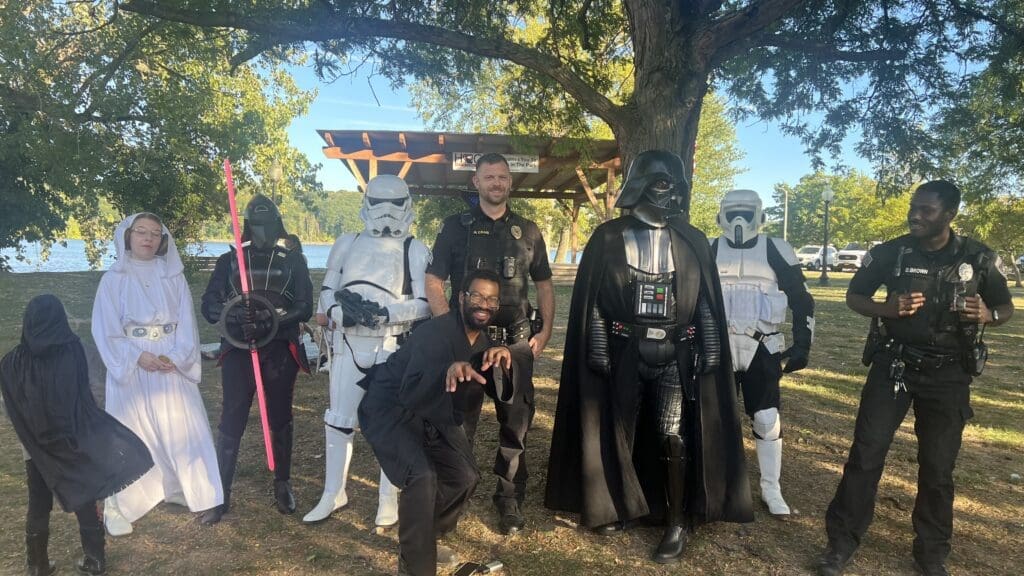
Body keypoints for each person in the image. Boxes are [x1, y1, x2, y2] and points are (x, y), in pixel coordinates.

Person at [545, 149, 753, 563]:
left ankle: (676, 520)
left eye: (677, 186)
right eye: (662, 183)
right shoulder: (608, 238)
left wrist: (711, 347)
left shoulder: (692, 239)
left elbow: (706, 301)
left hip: (675, 353)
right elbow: (595, 302)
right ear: (640, 184)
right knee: (618, 428)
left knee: (671, 435)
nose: (672, 194)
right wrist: (599, 344)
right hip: (624, 351)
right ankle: (619, 504)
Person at [817, 180, 1014, 576]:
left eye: (926, 210)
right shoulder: (892, 253)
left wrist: (989, 316)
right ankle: (840, 545)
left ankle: (931, 555)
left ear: (949, 215)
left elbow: (1005, 305)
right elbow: (854, 296)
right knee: (866, 455)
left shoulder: (977, 257)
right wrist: (886, 309)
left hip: (949, 374)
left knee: (938, 468)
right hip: (894, 366)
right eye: (913, 207)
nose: (915, 215)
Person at [425, 152, 554, 535]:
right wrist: (448, 329)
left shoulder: (529, 231)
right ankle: (454, 494)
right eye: (489, 177)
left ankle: (509, 499)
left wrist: (544, 332)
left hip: (514, 345)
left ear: (510, 183)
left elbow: (544, 284)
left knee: (515, 427)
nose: (496, 184)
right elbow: (434, 281)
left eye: (502, 177)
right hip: (467, 345)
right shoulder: (455, 227)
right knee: (458, 426)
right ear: (475, 183)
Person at [359, 269, 513, 576]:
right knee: (422, 475)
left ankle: (425, 535)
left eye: (492, 298)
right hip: (392, 408)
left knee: (464, 476)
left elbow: (492, 391)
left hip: (434, 413)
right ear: (461, 298)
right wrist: (448, 369)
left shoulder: (482, 342)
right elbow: (412, 387)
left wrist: (503, 359)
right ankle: (416, 565)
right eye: (477, 296)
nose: (484, 303)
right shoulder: (434, 332)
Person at [303, 175, 431, 526]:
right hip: (348, 343)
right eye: (378, 202)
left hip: (393, 344)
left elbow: (425, 303)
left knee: (390, 424)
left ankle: (387, 497)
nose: (386, 212)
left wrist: (387, 313)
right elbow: (327, 289)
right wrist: (336, 311)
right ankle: (333, 491)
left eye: (394, 203)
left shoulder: (415, 249)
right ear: (367, 203)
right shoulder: (346, 243)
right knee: (339, 419)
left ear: (407, 205)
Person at [91, 213, 224, 533]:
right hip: (134, 361)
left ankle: (188, 488)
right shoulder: (113, 279)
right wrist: (138, 356)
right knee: (133, 428)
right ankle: (124, 501)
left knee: (181, 425)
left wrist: (175, 356)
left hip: (169, 360)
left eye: (154, 233)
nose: (148, 238)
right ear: (128, 236)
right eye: (141, 232)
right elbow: (105, 329)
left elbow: (186, 322)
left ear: (162, 239)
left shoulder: (172, 276)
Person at [2, 294, 153, 576]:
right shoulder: (79, 351)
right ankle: (94, 560)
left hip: (34, 447)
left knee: (38, 501)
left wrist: (32, 438)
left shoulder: (10, 363)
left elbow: (9, 408)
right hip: (77, 439)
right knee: (85, 494)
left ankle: (36, 565)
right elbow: (99, 388)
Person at [201, 195, 314, 521]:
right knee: (232, 414)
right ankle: (221, 493)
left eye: (269, 224)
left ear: (277, 224)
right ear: (247, 225)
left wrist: (272, 319)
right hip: (239, 348)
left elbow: (305, 305)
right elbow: (209, 305)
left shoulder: (293, 260)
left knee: (279, 415)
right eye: (257, 224)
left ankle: (282, 482)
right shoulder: (229, 261)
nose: (262, 231)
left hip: (279, 348)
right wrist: (233, 317)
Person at [712, 189, 815, 518]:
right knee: (714, 418)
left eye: (745, 212)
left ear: (759, 214)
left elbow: (802, 299)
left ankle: (771, 487)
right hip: (720, 346)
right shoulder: (709, 248)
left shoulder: (776, 249)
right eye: (732, 212)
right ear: (721, 215)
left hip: (763, 345)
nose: (738, 220)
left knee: (767, 418)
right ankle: (718, 484)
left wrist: (803, 344)